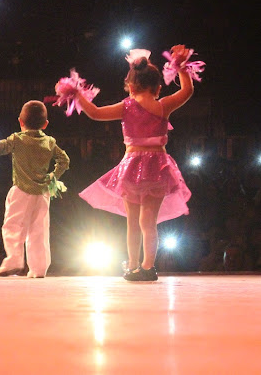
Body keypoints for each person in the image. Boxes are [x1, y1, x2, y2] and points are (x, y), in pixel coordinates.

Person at [74, 46, 197, 281]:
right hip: (157, 166)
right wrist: (181, 66)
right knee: (148, 222)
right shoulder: (163, 105)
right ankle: (147, 266)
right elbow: (188, 90)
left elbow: (96, 113)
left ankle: (133, 266)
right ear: (158, 87)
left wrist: (77, 93)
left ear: (130, 86)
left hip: (131, 166)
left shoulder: (126, 106)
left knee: (133, 221)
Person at [0, 100, 69, 278]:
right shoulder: (50, 142)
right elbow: (64, 161)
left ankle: (15, 259)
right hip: (42, 193)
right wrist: (53, 177)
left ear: (20, 122)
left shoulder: (17, 139)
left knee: (13, 226)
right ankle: (39, 268)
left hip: (22, 191)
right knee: (39, 230)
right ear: (45, 124)